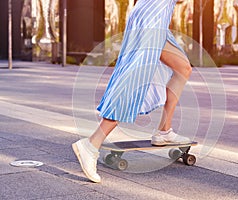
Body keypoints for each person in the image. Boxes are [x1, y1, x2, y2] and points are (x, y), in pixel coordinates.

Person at [72, 0, 192, 183]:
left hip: (154, 15)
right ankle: (91, 144)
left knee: (183, 68)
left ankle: (164, 131)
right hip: (152, 17)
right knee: (135, 78)